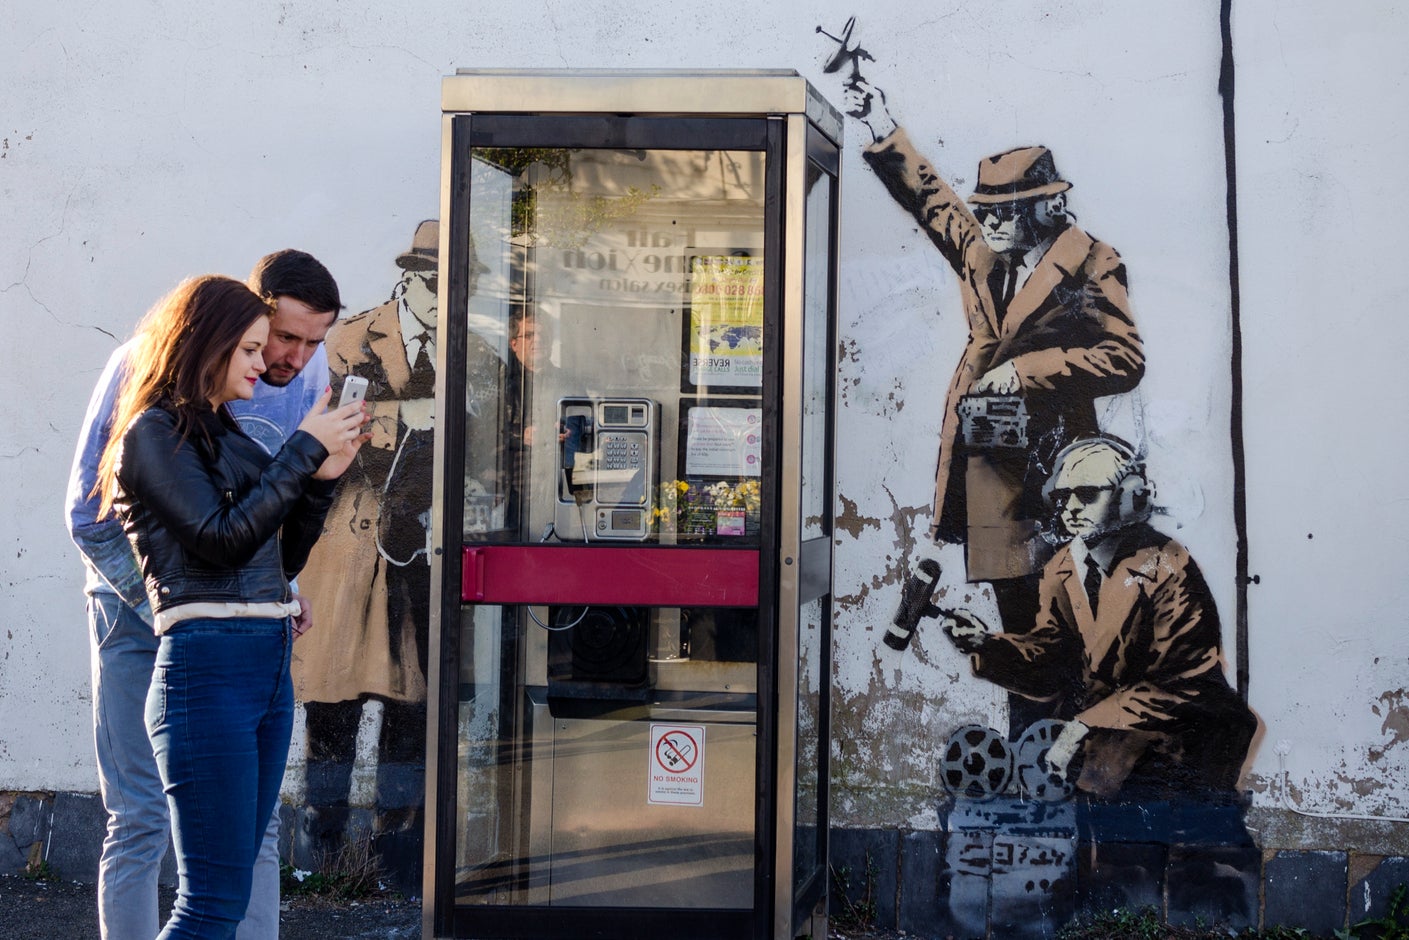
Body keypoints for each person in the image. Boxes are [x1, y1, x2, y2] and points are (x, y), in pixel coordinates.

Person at [65, 250, 342, 940]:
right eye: (280, 339)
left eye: (316, 343)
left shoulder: (287, 389)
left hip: (238, 632)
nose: (294, 358)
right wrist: (180, 609)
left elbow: (261, 525)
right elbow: (89, 515)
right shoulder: (148, 379)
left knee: (253, 836)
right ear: (246, 319)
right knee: (140, 817)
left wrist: (278, 585)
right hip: (147, 613)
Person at [845, 80, 1146, 700]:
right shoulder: (985, 257)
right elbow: (933, 203)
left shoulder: (1092, 261)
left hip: (1056, 482)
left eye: (1004, 210)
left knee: (1061, 643)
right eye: (985, 210)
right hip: (992, 485)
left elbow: (1126, 358)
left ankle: (1061, 768)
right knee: (1018, 647)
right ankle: (1032, 764)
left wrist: (1030, 371)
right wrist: (878, 120)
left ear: (1046, 207)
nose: (990, 222)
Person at [940, 437, 1257, 800]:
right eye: (1061, 498)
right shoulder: (1062, 567)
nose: (1071, 508)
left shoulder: (1167, 566)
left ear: (1130, 497)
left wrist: (1084, 724)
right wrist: (987, 645)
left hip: (1183, 753)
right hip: (1106, 754)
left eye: (1087, 494)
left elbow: (1182, 683)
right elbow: (1052, 658)